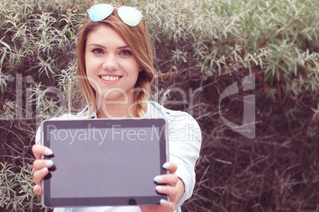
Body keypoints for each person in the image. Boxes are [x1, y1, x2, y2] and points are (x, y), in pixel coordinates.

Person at [32, 3, 201, 212]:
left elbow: (177, 183)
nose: (110, 64)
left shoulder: (178, 126)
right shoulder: (57, 133)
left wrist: (164, 197)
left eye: (125, 52)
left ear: (141, 60)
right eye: (98, 51)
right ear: (84, 59)